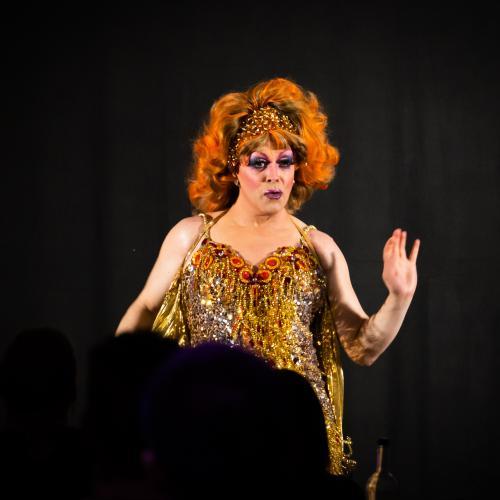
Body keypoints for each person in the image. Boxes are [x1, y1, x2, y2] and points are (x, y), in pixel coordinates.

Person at [116, 77, 420, 475]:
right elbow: (144, 308)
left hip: (293, 441)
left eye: (285, 162)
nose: (273, 175)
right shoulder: (191, 237)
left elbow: (363, 347)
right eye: (259, 163)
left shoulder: (320, 249)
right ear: (233, 168)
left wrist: (399, 296)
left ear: (297, 170)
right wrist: (115, 385)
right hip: (208, 432)